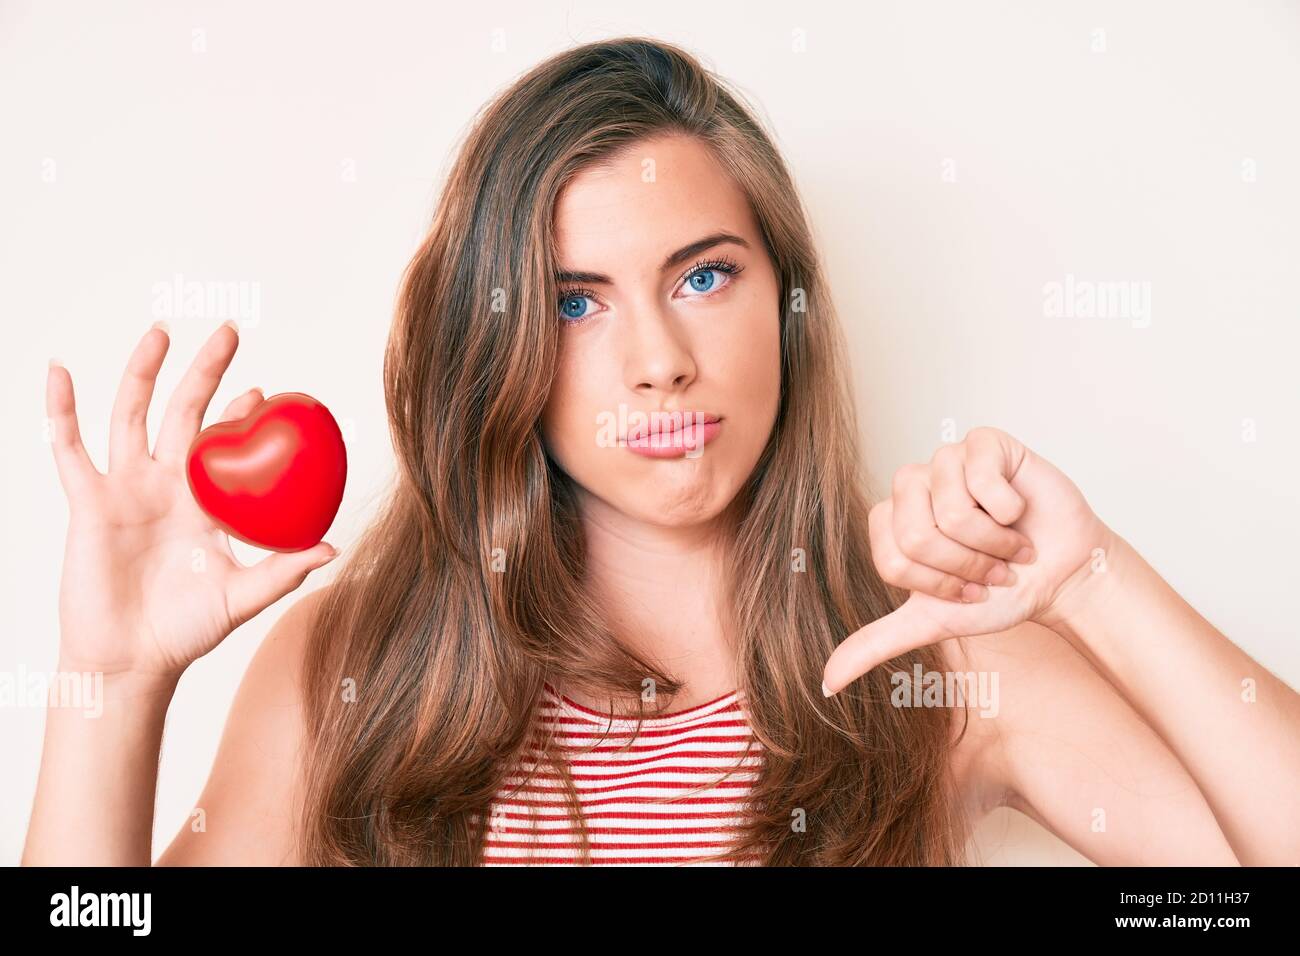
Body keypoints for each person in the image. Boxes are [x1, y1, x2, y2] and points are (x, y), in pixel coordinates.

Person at [23, 37, 1296, 867]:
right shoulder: (362, 665)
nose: (656, 360)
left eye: (703, 274)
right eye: (574, 300)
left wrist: (1091, 580)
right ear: (498, 340)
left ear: (785, 301)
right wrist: (112, 687)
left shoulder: (943, 656)